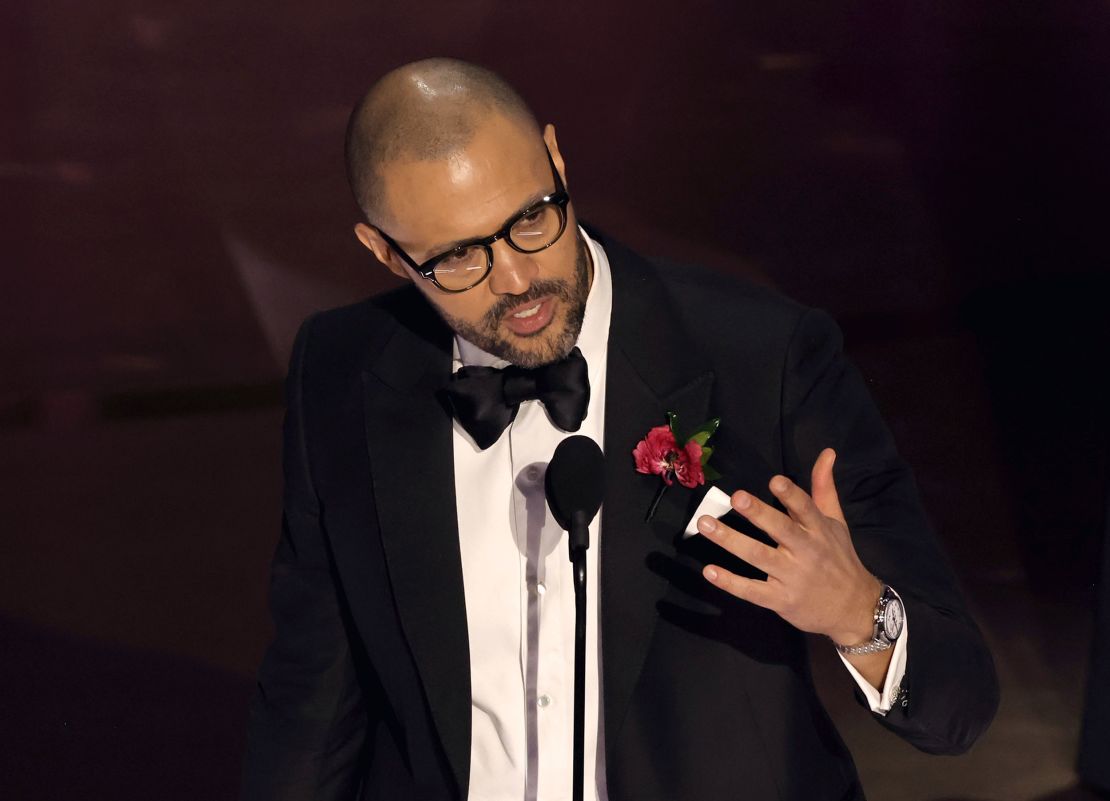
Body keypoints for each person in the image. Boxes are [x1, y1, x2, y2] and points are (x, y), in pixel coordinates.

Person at [240, 58, 999, 801]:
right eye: (459, 257)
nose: (515, 278)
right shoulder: (340, 372)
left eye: (532, 218)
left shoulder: (760, 356)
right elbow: (313, 697)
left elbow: (960, 702)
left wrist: (855, 611)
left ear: (557, 158)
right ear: (383, 251)